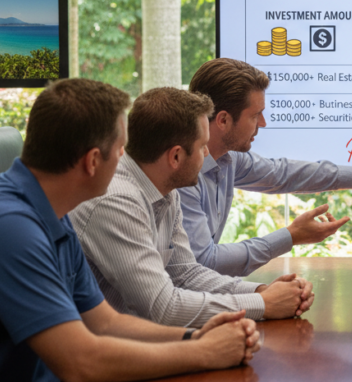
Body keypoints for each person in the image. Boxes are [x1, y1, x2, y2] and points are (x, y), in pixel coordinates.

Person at [0, 80, 260, 382]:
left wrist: (195, 336)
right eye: (122, 149)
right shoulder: (6, 228)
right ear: (93, 161)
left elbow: (104, 322)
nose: (126, 159)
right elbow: (80, 361)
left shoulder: (52, 214)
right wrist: (202, 352)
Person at [71, 87, 311, 328]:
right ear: (175, 157)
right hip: (92, 355)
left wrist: (263, 290)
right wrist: (262, 303)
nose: (207, 154)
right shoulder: (116, 201)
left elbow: (186, 274)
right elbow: (163, 307)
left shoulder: (165, 188)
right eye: (202, 146)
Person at [180, 58, 352, 276]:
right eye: (256, 115)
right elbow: (204, 262)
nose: (263, 124)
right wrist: (291, 236)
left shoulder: (227, 158)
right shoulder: (182, 176)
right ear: (223, 120)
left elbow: (281, 174)